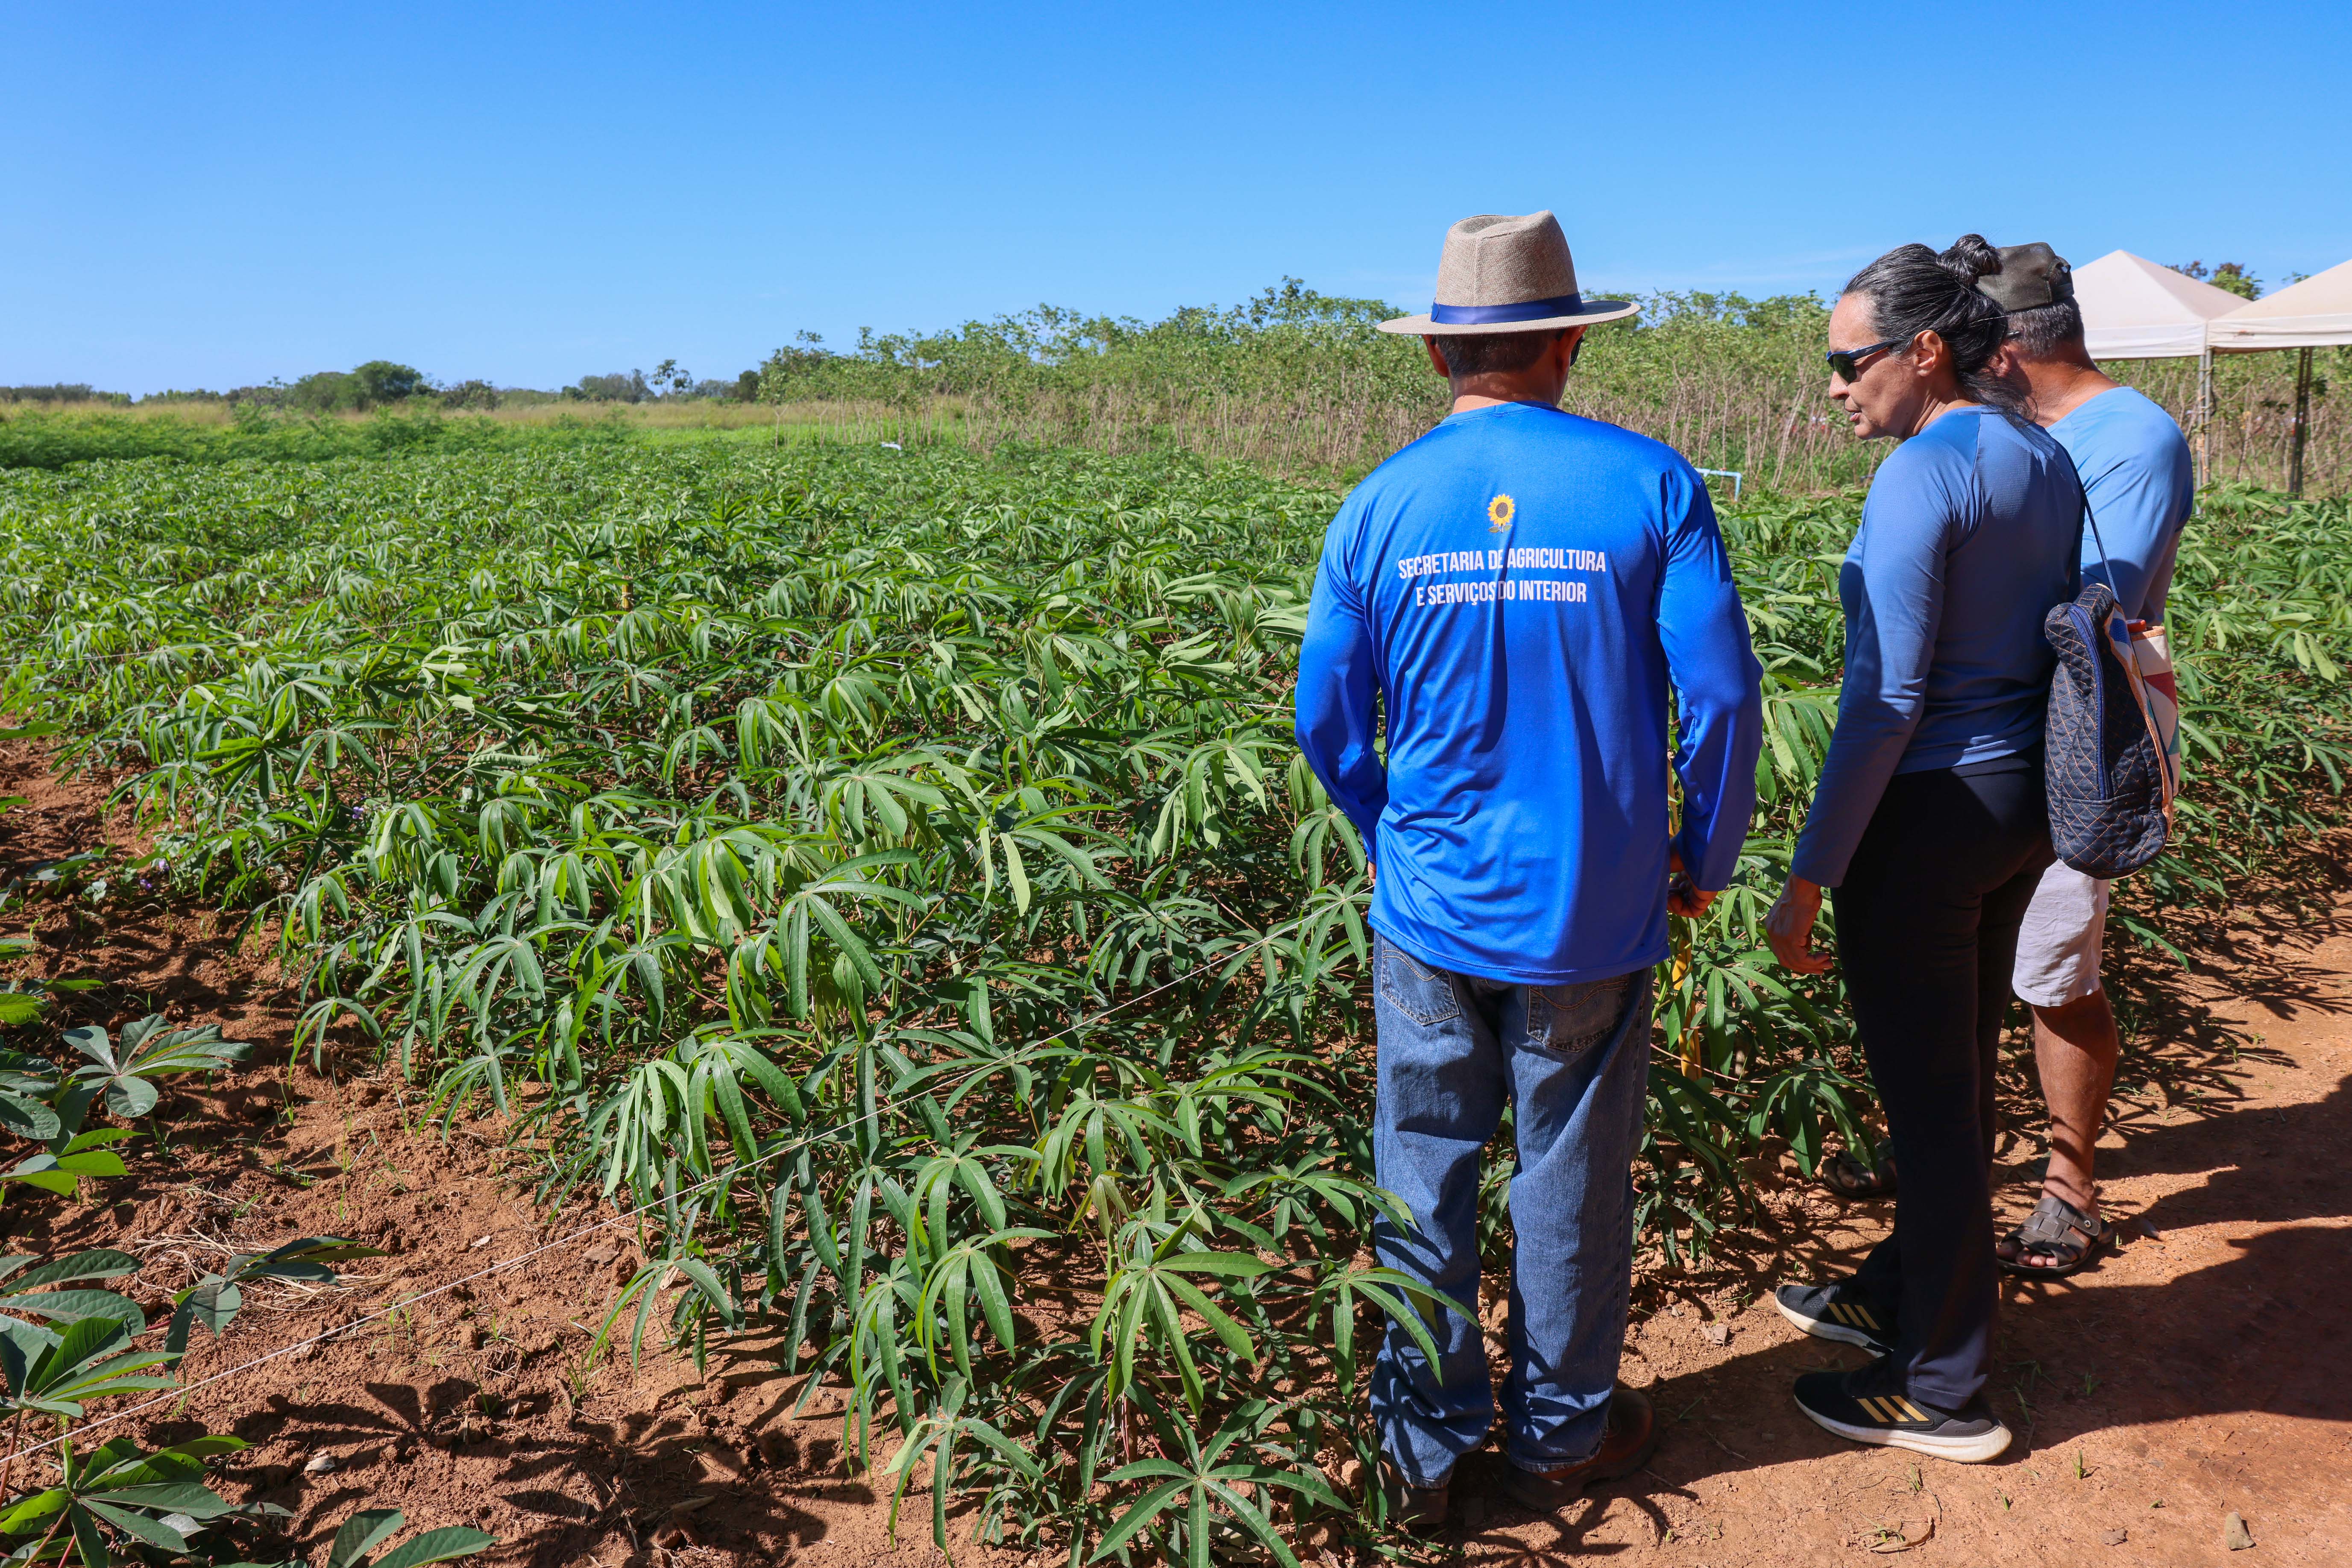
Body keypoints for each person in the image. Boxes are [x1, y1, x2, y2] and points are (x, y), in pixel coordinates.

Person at [1295, 211, 1763, 1525]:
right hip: (1592, 915)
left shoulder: (1377, 505)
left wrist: (1386, 827)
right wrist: (1702, 852)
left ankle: (1425, 1455)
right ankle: (1560, 1436)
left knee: (1422, 1172)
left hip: (1428, 911)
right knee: (1571, 1178)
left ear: (1437, 351)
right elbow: (1723, 698)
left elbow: (1325, 713)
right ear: (1567, 342)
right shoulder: (1652, 485)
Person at [1763, 237, 2083, 1463]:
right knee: (1955, 1072)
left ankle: (1941, 1386)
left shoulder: (1919, 473)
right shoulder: (2038, 453)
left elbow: (1886, 698)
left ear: (1926, 351)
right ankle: (1899, 1291)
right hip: (2016, 805)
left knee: (1932, 1106)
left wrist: (1811, 874)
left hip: (1928, 815)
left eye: (1850, 362)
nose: (1835, 385)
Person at [1980, 242, 2195, 1277]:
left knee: (2053, 972)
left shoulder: (2132, 437)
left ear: (2006, 355)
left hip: (2075, 731)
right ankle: (1941, 1142)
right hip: (1984, 733)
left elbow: (2089, 605)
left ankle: (2068, 1189)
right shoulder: (2022, 431)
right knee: (1967, 958)